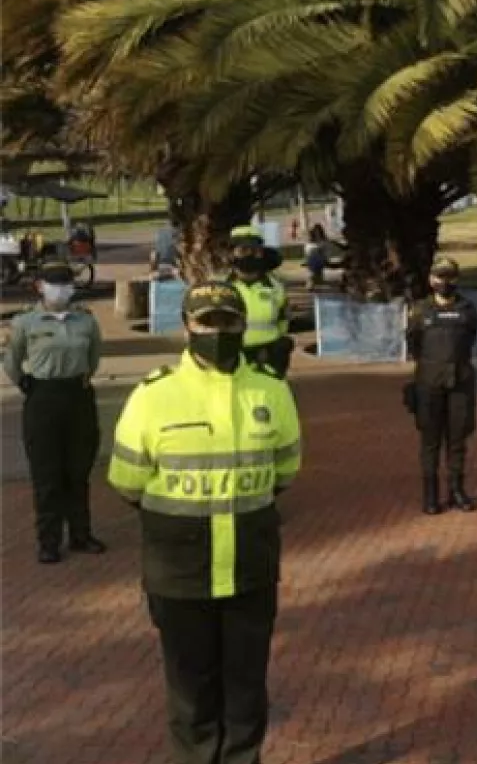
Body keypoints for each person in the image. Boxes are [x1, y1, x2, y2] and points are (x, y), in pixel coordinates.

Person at [107, 281, 301, 764]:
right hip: (180, 572)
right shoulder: (153, 396)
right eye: (206, 321)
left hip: (248, 568)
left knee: (246, 689)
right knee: (191, 693)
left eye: (228, 320)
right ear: (188, 326)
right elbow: (127, 481)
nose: (218, 330)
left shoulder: (271, 391)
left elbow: (285, 470)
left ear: (242, 324)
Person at [4, 259, 106, 563]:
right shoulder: (26, 323)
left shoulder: (86, 321)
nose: (62, 288)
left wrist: (82, 377)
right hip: (42, 398)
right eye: (55, 283)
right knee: (47, 474)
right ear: (40, 287)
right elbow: (12, 360)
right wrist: (26, 384)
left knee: (78, 470)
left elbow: (94, 356)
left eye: (66, 283)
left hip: (78, 396)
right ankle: (48, 541)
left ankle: (80, 534)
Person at [405, 256, 477, 514]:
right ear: (431, 279)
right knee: (430, 440)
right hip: (429, 384)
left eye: (449, 277)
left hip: (460, 383)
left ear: (456, 279)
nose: (444, 282)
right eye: (439, 277)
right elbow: (413, 344)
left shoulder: (467, 310)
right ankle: (430, 495)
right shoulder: (419, 311)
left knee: (457, 439)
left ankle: (457, 491)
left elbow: (470, 339)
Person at [227, 226, 293, 376]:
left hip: (269, 355)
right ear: (232, 253)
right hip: (233, 356)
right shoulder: (223, 287)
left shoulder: (275, 287)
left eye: (255, 251)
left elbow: (283, 320)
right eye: (244, 250)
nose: (250, 255)